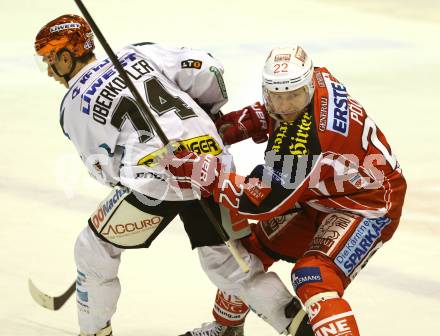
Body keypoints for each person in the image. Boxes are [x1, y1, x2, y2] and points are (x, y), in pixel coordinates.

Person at [34, 15, 312, 336]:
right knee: (232, 265)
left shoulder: (73, 103)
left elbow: (105, 170)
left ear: (66, 57)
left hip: (155, 182)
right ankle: (301, 328)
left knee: (93, 248)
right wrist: (205, 115)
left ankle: (94, 332)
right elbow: (209, 71)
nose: (51, 71)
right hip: (212, 165)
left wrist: (131, 171)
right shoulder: (138, 53)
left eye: (50, 61)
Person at [163, 46, 407, 336]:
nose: (286, 105)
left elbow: (260, 200)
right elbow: (272, 115)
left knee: (314, 276)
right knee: (247, 254)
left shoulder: (307, 143)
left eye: (294, 95)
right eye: (278, 96)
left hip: (367, 203)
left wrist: (201, 172)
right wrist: (221, 129)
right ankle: (226, 329)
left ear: (307, 86)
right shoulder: (316, 78)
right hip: (319, 193)